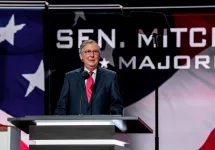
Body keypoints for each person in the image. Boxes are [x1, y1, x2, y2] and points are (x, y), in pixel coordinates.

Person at [55, 39, 124, 115]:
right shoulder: (70, 77)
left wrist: (111, 121)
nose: (92, 55)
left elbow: (117, 105)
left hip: (101, 126)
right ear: (81, 56)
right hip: (76, 126)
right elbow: (61, 107)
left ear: (99, 55)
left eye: (95, 51)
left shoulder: (110, 76)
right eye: (88, 51)